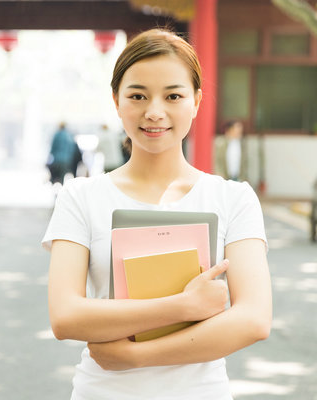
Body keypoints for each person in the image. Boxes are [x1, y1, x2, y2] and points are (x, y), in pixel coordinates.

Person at [42, 29, 271, 399]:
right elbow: (66, 316)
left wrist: (135, 355)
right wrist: (182, 305)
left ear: (196, 101)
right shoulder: (80, 198)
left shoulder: (233, 199)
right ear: (116, 101)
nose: (154, 112)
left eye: (173, 96)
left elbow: (254, 320)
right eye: (137, 96)